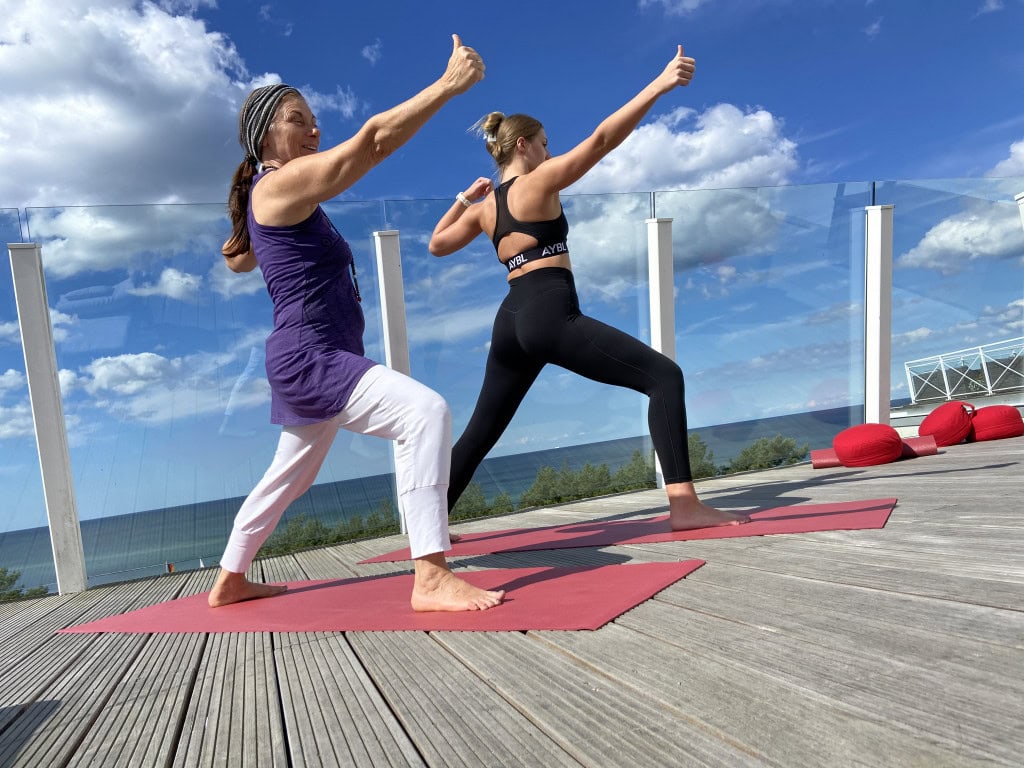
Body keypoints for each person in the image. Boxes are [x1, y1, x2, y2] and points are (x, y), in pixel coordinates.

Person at [210, 35, 504, 612]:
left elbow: (239, 256)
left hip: (308, 358)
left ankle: (228, 578)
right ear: (265, 136)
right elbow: (368, 142)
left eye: (316, 122)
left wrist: (245, 228)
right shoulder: (274, 187)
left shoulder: (273, 198)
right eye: (300, 120)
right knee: (425, 413)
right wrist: (448, 85)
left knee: (289, 476)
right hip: (312, 357)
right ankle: (430, 573)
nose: (314, 130)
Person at [428, 46, 749, 532]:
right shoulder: (537, 183)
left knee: (482, 430)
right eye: (543, 143)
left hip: (510, 318)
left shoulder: (483, 209)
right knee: (664, 378)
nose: (549, 153)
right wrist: (660, 85)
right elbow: (601, 140)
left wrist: (461, 199)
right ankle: (684, 505)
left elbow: (435, 245)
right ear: (522, 146)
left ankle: (427, 524)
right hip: (548, 309)